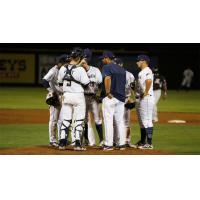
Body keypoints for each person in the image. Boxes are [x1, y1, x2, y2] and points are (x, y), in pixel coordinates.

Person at [57, 47, 90, 151]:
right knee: (79, 120)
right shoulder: (80, 69)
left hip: (66, 96)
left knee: (66, 120)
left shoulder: (62, 68)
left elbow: (60, 83)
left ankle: (62, 143)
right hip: (78, 97)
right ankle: (77, 144)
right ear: (79, 58)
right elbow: (86, 84)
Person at [100, 51, 126, 151]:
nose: (103, 60)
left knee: (108, 121)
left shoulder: (107, 67)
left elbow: (107, 78)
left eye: (103, 58)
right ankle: (122, 143)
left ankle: (109, 144)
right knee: (120, 121)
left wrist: (107, 92)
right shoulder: (122, 69)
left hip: (111, 97)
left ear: (107, 58)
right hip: (121, 98)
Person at [42, 54, 68, 147]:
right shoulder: (53, 70)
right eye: (65, 62)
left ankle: (61, 139)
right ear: (60, 63)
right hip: (56, 97)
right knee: (54, 119)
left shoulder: (65, 70)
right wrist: (51, 91)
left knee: (62, 119)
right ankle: (52, 140)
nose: (67, 63)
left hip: (64, 96)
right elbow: (44, 80)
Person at [80, 48, 104, 147]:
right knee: (84, 119)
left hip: (94, 98)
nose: (85, 59)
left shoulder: (95, 70)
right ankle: (85, 139)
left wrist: (100, 95)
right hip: (83, 98)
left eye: (86, 57)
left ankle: (102, 140)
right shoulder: (78, 70)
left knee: (98, 119)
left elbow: (101, 83)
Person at [113, 58, 135, 147]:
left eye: (116, 64)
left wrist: (133, 98)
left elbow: (133, 88)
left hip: (125, 99)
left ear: (120, 64)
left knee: (125, 122)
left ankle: (126, 141)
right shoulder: (113, 74)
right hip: (116, 99)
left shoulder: (129, 75)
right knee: (116, 122)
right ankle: (115, 141)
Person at [134, 55, 155, 149]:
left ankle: (149, 143)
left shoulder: (147, 70)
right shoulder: (142, 72)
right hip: (142, 98)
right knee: (143, 121)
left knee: (147, 120)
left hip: (146, 98)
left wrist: (146, 92)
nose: (137, 62)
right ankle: (143, 142)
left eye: (138, 61)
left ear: (143, 61)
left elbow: (149, 81)